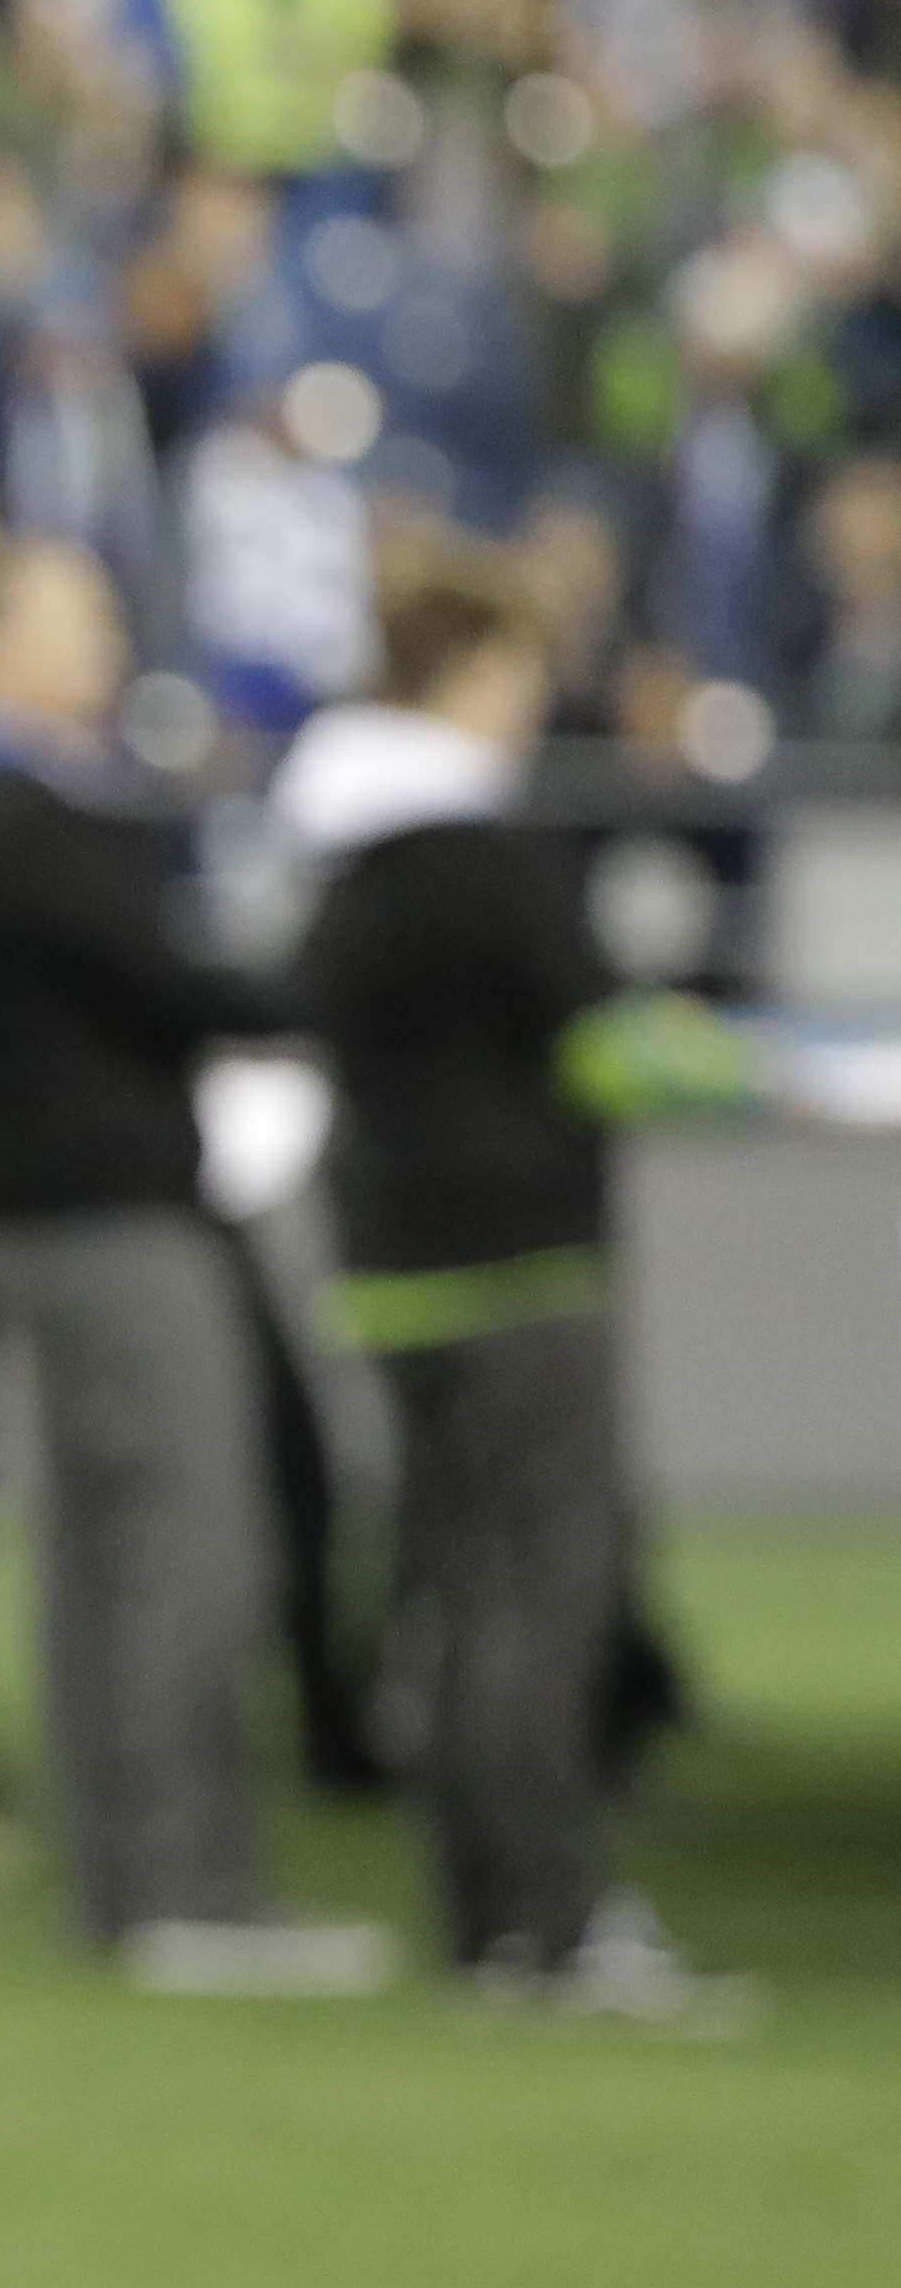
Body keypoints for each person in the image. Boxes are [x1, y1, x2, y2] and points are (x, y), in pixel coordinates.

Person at [0, 539, 392, 1994]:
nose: (104, 639)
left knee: (102, 1559)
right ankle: (190, 1888)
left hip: (26, 1208)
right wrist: (319, 989)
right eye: (77, 615)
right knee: (190, 1547)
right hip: (115, 1209)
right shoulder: (20, 811)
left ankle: (133, 1885)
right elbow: (169, 980)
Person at [279, 553, 758, 2025]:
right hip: (520, 1262)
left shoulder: (337, 860)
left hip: (391, 1265)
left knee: (462, 1597)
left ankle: (491, 1922)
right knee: (544, 1598)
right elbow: (600, 1045)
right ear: (475, 667)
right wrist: (731, 1062)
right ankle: (556, 1922)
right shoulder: (490, 855)